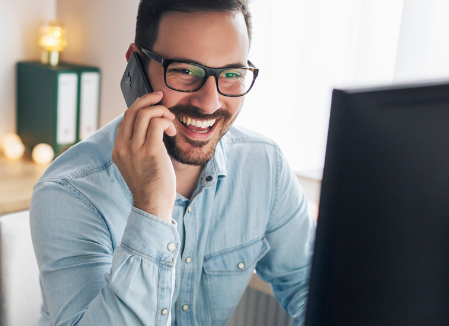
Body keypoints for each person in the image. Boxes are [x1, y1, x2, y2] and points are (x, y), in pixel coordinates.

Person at [29, 0, 315, 325]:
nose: (210, 102)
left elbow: (313, 289)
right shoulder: (68, 192)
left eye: (232, 74)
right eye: (185, 71)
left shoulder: (265, 166)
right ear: (135, 66)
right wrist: (151, 208)